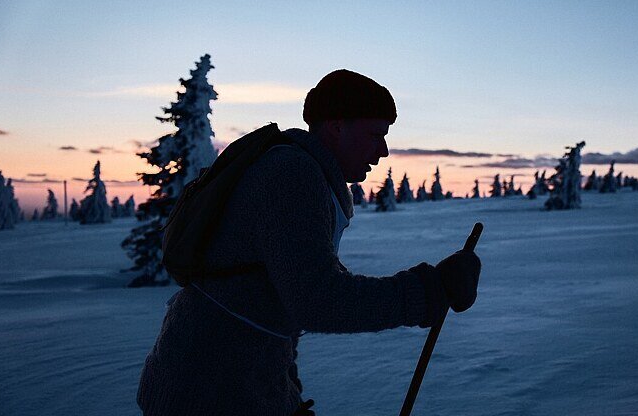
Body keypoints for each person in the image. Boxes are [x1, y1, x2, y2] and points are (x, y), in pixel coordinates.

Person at [136, 69, 481, 416]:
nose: (384, 150)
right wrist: (427, 290)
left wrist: (286, 393)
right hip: (209, 393)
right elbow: (318, 298)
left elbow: (272, 310)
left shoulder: (302, 171)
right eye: (375, 134)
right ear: (336, 126)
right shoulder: (293, 174)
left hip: (225, 383)